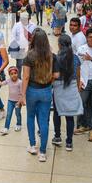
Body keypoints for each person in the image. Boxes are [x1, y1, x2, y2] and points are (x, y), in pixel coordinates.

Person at [20, 28, 60, 162]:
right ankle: (42, 152)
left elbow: (25, 77)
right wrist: (48, 82)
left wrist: (22, 95)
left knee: (30, 117)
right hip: (46, 91)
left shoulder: (29, 56)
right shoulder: (52, 56)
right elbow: (56, 75)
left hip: (32, 90)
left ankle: (32, 145)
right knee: (44, 121)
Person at [52, 35, 83, 152]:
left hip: (59, 89)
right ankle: (69, 142)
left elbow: (54, 75)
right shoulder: (75, 59)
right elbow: (78, 75)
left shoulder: (56, 59)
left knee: (57, 112)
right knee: (70, 116)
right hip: (72, 88)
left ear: (60, 45)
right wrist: (78, 88)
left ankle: (57, 136)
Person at [0, 66, 23, 136]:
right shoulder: (8, 81)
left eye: (15, 73)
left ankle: (19, 124)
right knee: (9, 114)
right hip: (10, 101)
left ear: (17, 74)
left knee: (17, 114)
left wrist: (19, 102)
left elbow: (22, 93)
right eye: (12, 74)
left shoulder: (20, 82)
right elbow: (1, 83)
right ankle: (6, 128)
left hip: (17, 102)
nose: (13, 75)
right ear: (9, 75)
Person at [10, 11, 37, 78]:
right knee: (19, 64)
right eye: (22, 19)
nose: (23, 21)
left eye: (25, 19)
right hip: (20, 49)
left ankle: (30, 77)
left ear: (28, 18)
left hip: (30, 49)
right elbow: (13, 36)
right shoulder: (17, 25)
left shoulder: (33, 26)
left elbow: (36, 37)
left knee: (31, 64)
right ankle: (18, 77)